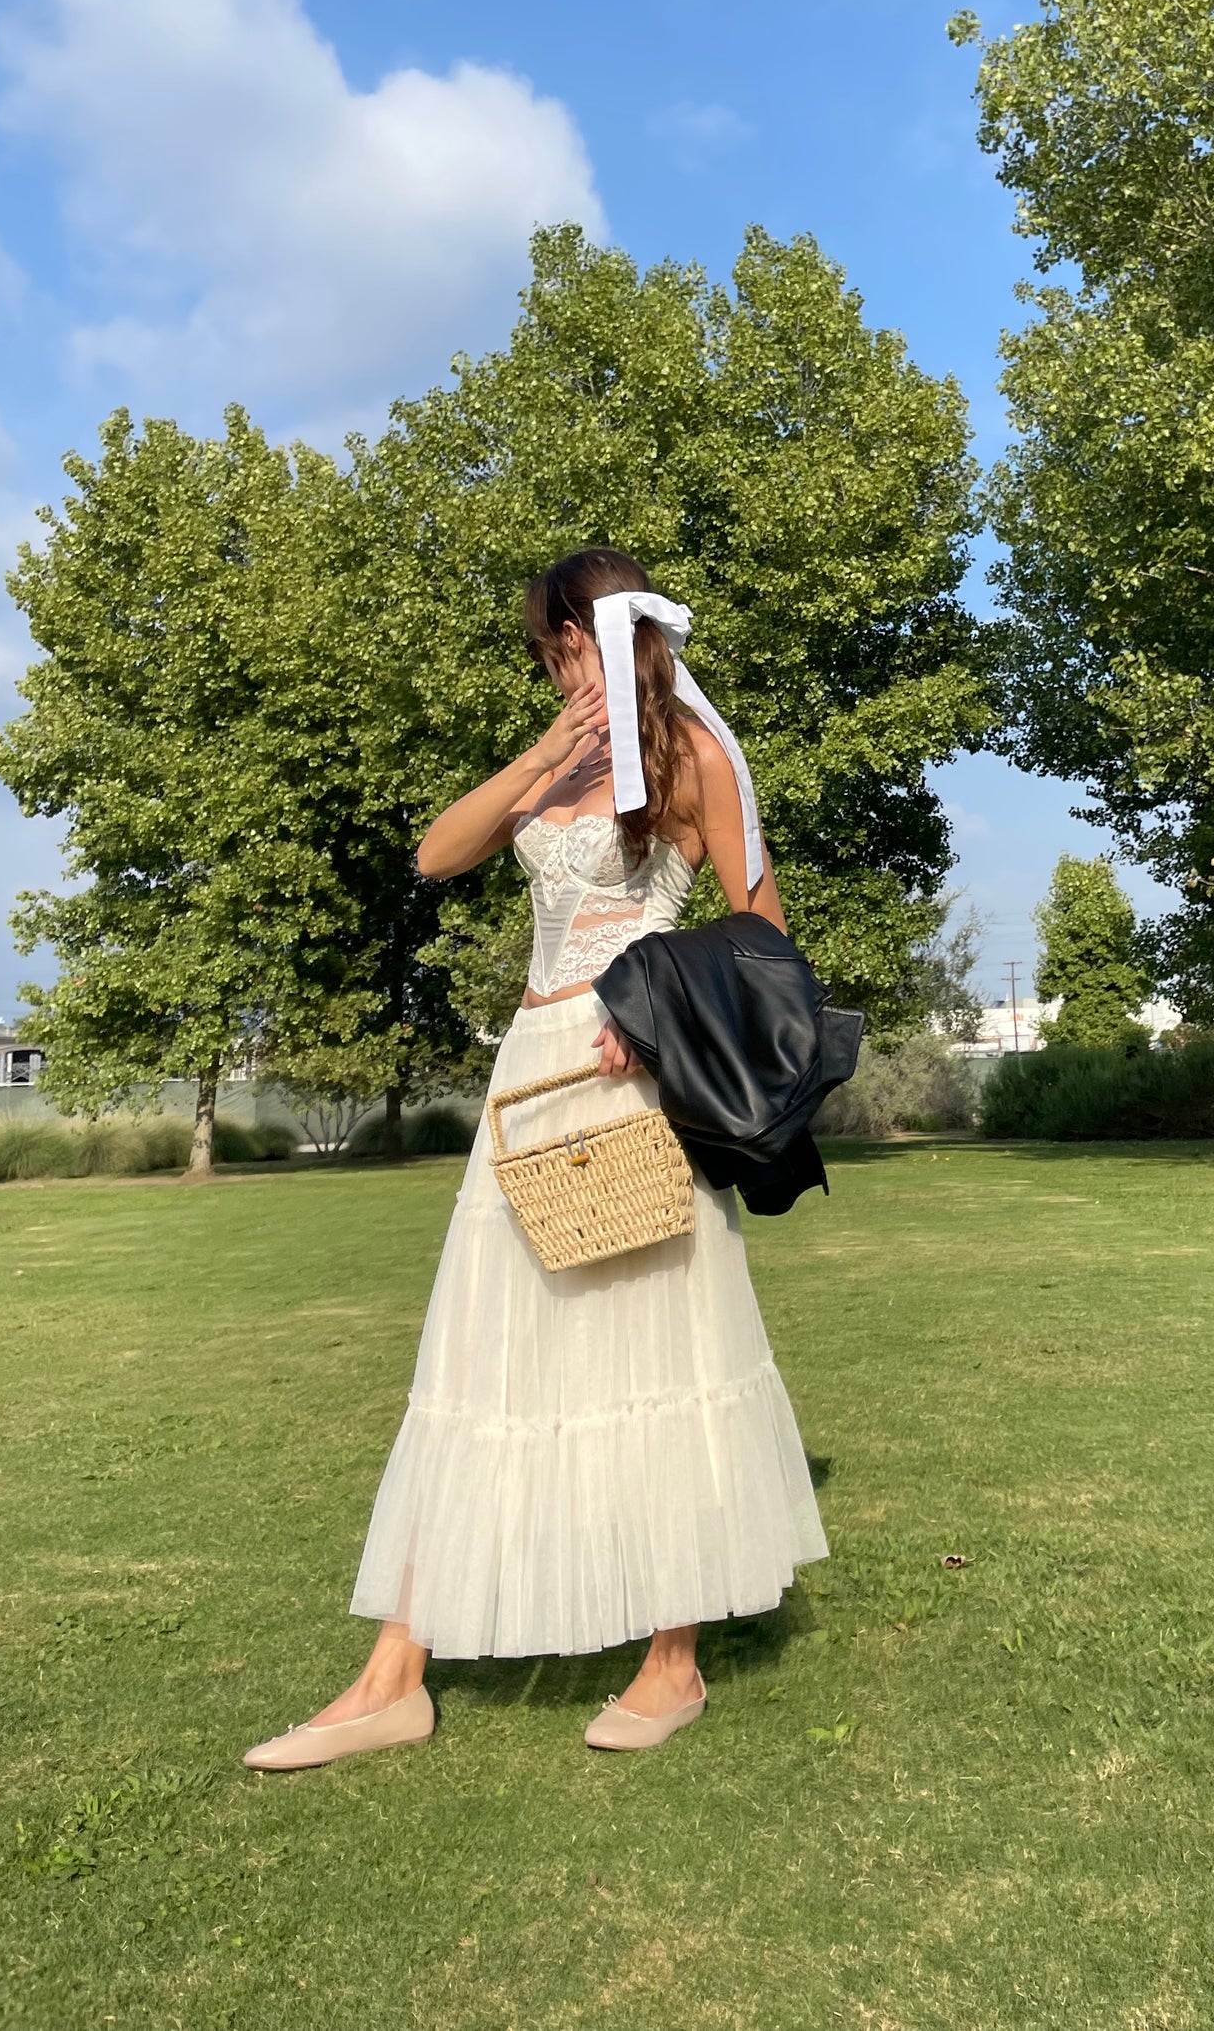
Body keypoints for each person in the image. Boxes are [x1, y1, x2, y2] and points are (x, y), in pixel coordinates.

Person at [243, 547, 827, 1768]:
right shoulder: (557, 762)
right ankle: (392, 1676)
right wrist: (549, 753)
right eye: (546, 650)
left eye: (568, 642)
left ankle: (671, 1664)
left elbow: (757, 935)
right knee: (480, 1350)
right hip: (529, 1074)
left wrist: (650, 1007)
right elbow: (434, 855)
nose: (557, 663)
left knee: (654, 1346)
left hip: (632, 1072)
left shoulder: (695, 761)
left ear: (620, 636)